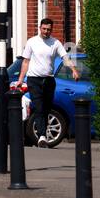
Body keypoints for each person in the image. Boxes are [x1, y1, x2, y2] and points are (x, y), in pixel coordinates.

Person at [18, 17, 80, 147]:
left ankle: (41, 135)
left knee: (46, 109)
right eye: (44, 29)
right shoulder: (32, 42)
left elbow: (65, 58)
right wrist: (20, 80)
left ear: (51, 30)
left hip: (49, 80)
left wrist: (74, 70)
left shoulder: (55, 43)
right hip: (34, 79)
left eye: (49, 29)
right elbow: (25, 61)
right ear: (40, 28)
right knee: (39, 107)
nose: (46, 31)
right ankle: (41, 136)